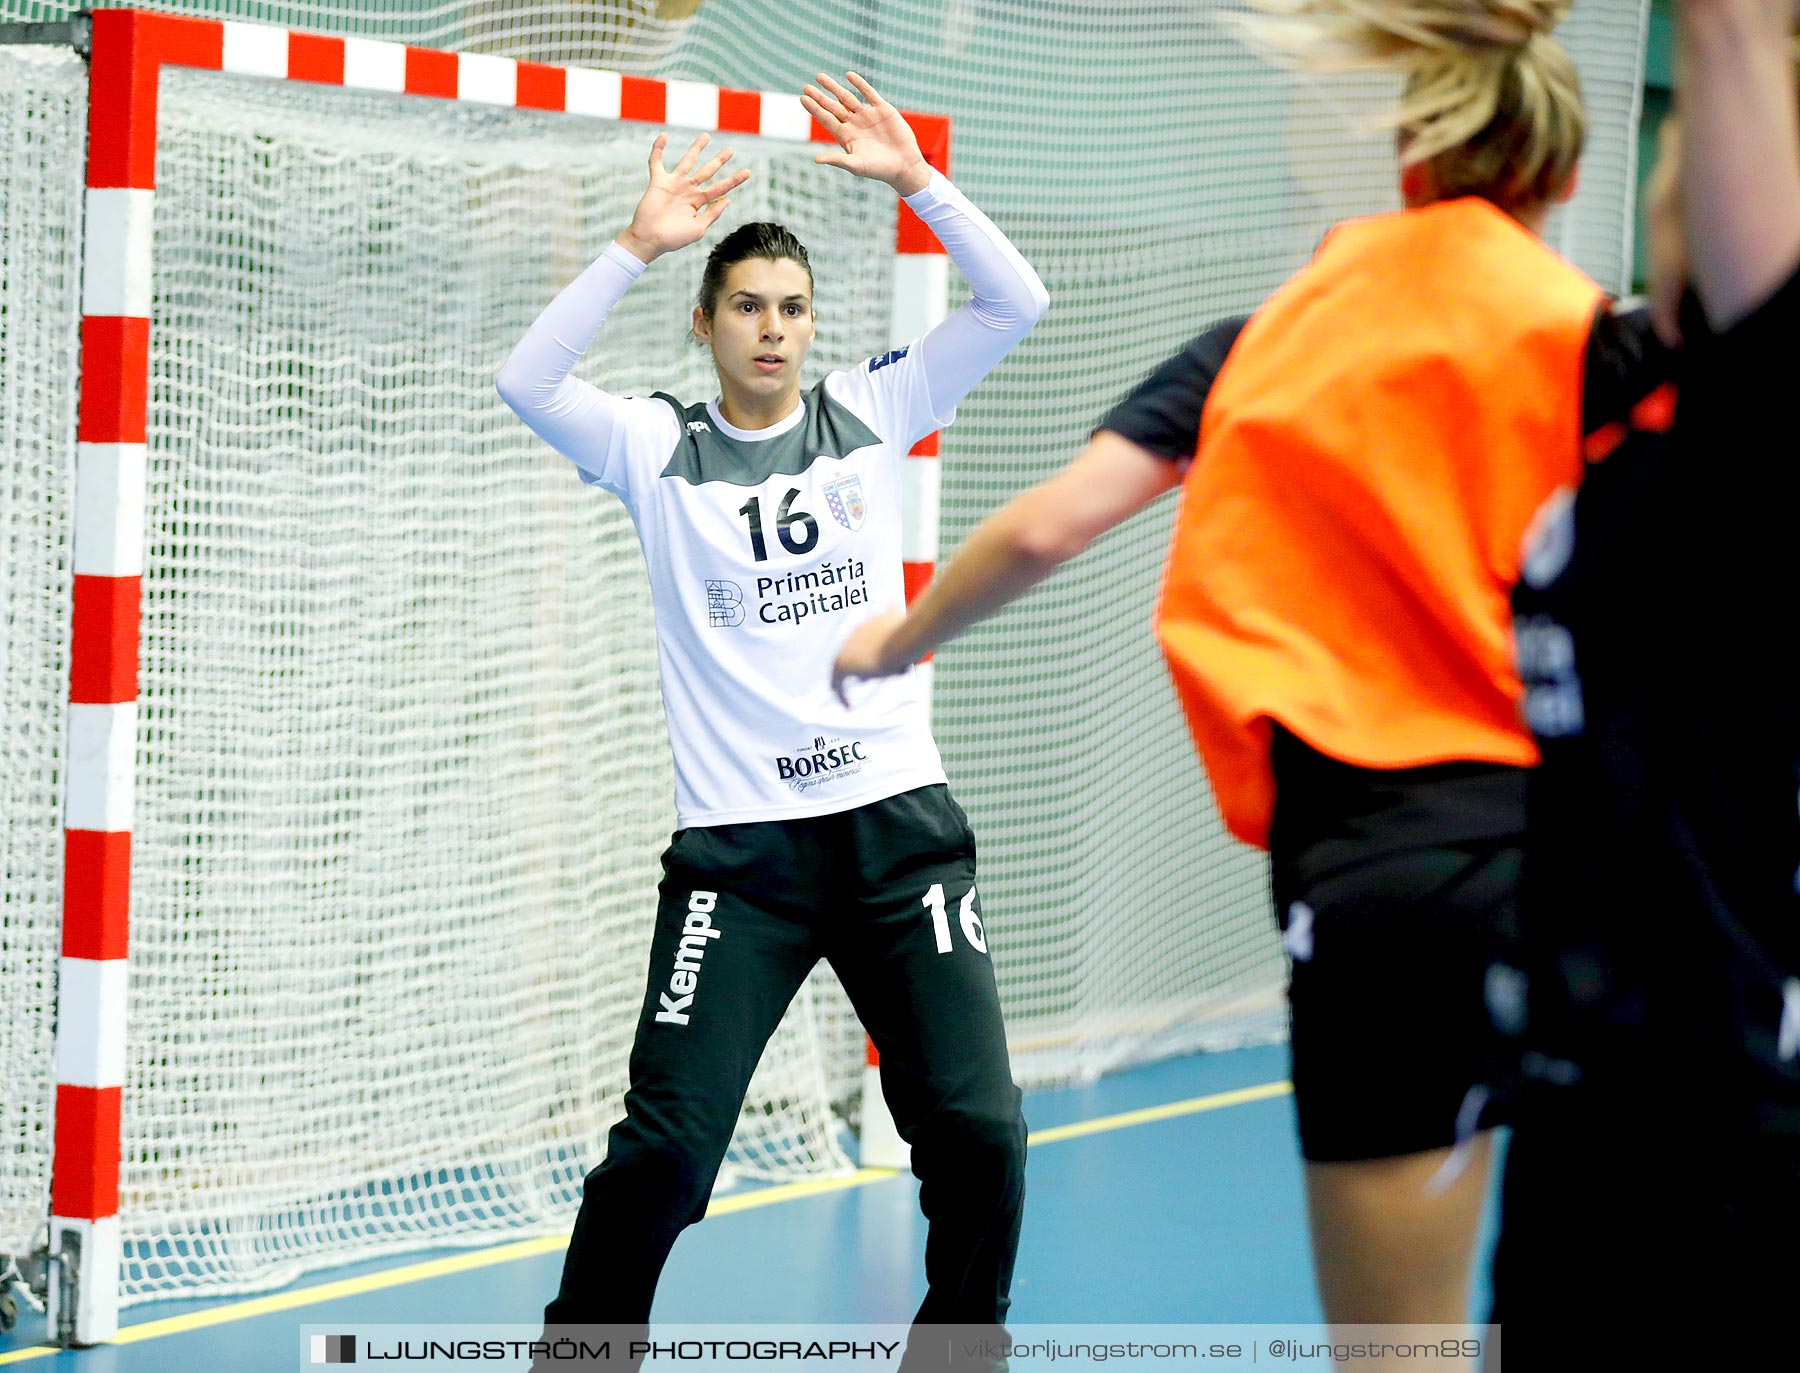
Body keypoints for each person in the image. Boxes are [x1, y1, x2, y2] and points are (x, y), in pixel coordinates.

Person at [834, 0, 1613, 1335]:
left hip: (1389, 871)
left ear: (1409, 165)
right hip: (1600, 871)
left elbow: (1046, 525)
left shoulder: (1271, 338)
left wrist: (892, 639)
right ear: (1566, 173)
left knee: (1400, 1347)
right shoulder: (1605, 336)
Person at [496, 72, 1048, 1371]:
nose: (774, 329)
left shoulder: (873, 409)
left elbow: (1017, 300)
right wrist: (635, 242)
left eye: (793, 309)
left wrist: (920, 183)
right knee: (668, 1154)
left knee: (981, 1135)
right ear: (706, 321)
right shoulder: (649, 445)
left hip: (898, 836)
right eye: (747, 305)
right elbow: (526, 378)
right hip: (742, 865)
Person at [1490, 0, 1800, 1358]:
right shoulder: (1622, 433)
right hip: (1570, 1094)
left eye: (1688, 134)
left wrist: (1746, 42)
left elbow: (1733, 28)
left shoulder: (1764, 435)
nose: (1668, 153)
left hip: (1711, 1117)